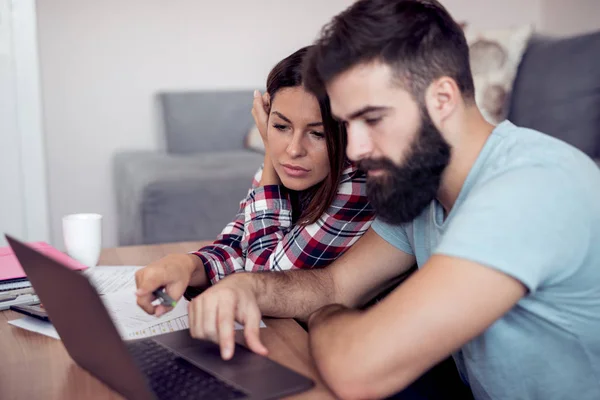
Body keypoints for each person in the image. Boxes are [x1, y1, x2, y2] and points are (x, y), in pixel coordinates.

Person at [164, 1, 600, 399]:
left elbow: (359, 369)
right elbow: (332, 284)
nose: (353, 149)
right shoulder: (422, 188)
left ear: (442, 98)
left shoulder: (529, 188)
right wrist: (244, 286)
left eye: (372, 118)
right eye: (346, 124)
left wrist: (326, 315)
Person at [135, 47, 374, 316]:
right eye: (281, 127)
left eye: (317, 134)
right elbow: (238, 245)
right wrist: (187, 266)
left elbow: (265, 278)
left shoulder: (357, 185)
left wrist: (270, 150)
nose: (293, 150)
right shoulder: (285, 168)